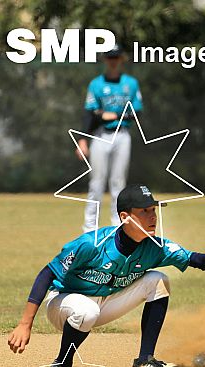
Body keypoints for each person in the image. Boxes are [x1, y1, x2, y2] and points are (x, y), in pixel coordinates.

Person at [7, 184, 205, 367]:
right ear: (125, 217)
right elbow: (47, 273)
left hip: (106, 303)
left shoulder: (155, 247)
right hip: (64, 304)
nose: (152, 216)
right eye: (144, 211)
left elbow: (194, 259)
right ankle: (61, 364)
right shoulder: (92, 244)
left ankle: (145, 363)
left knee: (158, 280)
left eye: (153, 210)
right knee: (86, 311)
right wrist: (25, 324)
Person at [77, 44, 142, 233]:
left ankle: (118, 227)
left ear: (121, 59)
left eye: (116, 57)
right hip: (101, 135)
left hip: (122, 135)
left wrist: (114, 115)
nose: (113, 61)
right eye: (110, 57)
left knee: (118, 182)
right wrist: (82, 139)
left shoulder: (130, 83)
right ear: (105, 59)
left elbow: (137, 112)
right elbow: (90, 113)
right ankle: (90, 227)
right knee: (96, 182)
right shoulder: (96, 84)